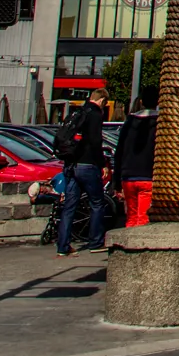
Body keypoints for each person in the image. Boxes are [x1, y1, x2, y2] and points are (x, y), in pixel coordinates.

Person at [55, 88, 111, 256]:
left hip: (71, 165)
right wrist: (103, 163)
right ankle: (95, 242)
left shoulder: (78, 112)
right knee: (97, 203)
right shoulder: (95, 115)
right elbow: (95, 142)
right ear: (101, 100)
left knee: (69, 206)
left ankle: (63, 246)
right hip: (88, 165)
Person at [114, 90, 159, 227]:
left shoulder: (129, 122)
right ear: (158, 102)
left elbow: (119, 152)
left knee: (131, 217)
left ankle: (127, 243)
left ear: (141, 102)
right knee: (143, 219)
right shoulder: (160, 123)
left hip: (128, 176)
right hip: (148, 176)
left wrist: (116, 181)